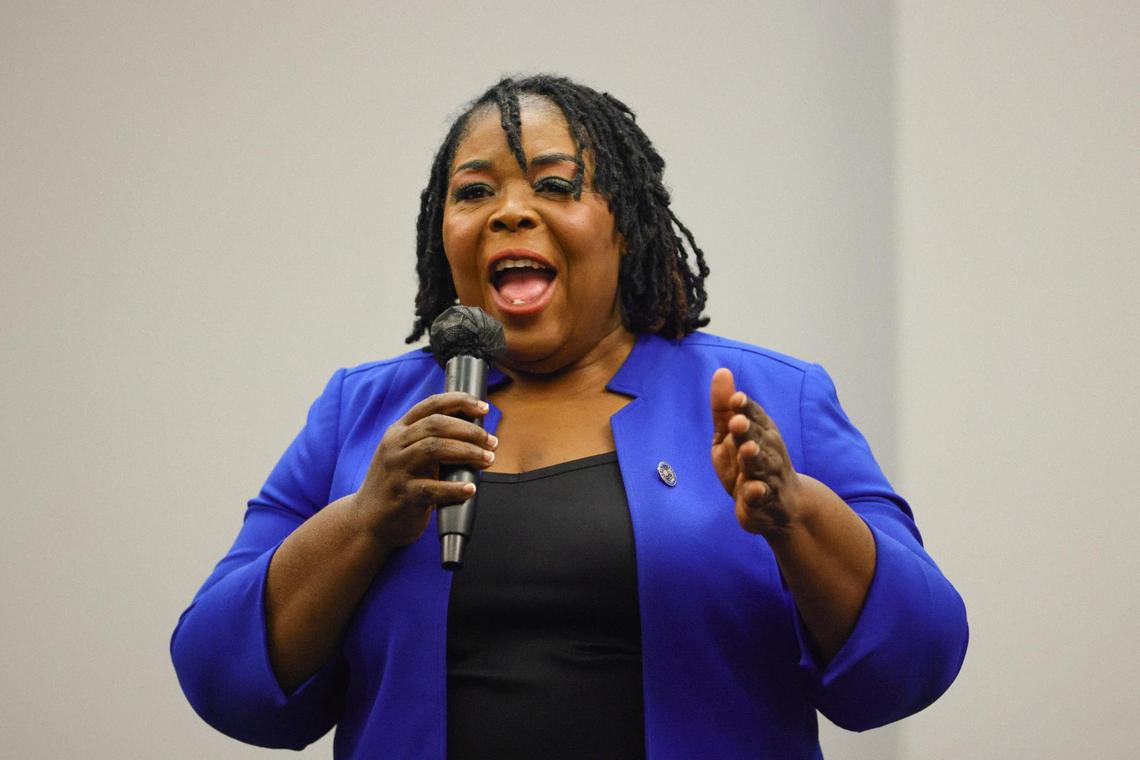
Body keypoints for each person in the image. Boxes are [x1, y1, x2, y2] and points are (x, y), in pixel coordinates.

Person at [171, 75, 968, 759]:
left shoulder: (765, 398)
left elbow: (916, 658)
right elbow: (222, 675)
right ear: (442, 232)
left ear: (625, 224)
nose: (510, 212)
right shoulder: (364, 411)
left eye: (555, 186)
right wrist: (366, 520)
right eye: (475, 191)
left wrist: (798, 516)